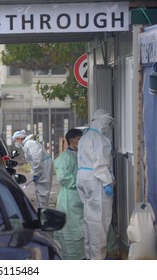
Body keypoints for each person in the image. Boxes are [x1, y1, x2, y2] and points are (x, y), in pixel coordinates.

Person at [77, 109, 116, 260]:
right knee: (99, 221)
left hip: (84, 179)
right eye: (106, 122)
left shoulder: (85, 137)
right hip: (96, 181)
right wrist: (107, 182)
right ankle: (97, 259)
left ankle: (90, 256)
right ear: (100, 121)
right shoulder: (99, 139)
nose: (107, 126)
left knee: (89, 218)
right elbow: (100, 163)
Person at [53, 128, 85, 260]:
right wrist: (81, 184)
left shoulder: (81, 154)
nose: (82, 141)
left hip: (80, 195)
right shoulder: (65, 158)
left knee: (81, 228)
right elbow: (63, 177)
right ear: (72, 140)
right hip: (70, 198)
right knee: (72, 229)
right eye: (79, 138)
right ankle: (72, 258)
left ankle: (82, 256)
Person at [12, 130, 53, 208]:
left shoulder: (31, 144)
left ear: (19, 138)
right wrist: (35, 172)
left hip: (44, 169)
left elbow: (37, 160)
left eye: (15, 140)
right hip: (42, 168)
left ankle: (43, 211)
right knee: (40, 191)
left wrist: (37, 173)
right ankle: (42, 209)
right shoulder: (27, 144)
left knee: (42, 191)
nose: (15, 142)